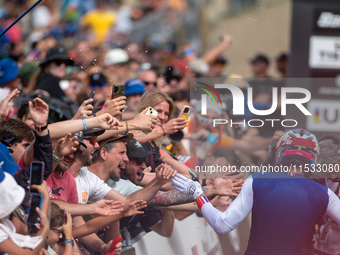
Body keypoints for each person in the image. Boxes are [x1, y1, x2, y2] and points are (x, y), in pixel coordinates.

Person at [171, 129, 340, 255]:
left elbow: (222, 225)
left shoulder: (257, 179)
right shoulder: (324, 193)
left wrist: (198, 194)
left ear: (280, 152)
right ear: (313, 158)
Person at [312, 135, 340, 255]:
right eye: (322, 162)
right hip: (321, 247)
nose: (326, 166)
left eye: (330, 161)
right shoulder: (319, 181)